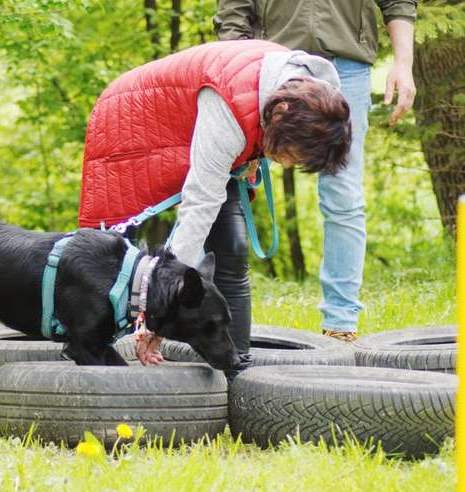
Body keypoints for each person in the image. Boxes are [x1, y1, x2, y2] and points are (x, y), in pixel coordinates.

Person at [78, 40, 351, 377]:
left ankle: (235, 368)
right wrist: (158, 316)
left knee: (232, 249)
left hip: (205, 119)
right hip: (134, 120)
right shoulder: (233, 109)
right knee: (112, 252)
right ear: (279, 116)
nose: (288, 164)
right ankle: (86, 350)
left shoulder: (313, 99)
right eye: (290, 154)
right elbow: (200, 204)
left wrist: (254, 152)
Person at [214, 0, 418, 342]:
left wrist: (403, 63)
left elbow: (399, 3)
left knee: (343, 192)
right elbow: (233, 8)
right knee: (228, 184)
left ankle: (341, 323)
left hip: (347, 66)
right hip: (270, 65)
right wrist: (236, 65)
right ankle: (213, 313)